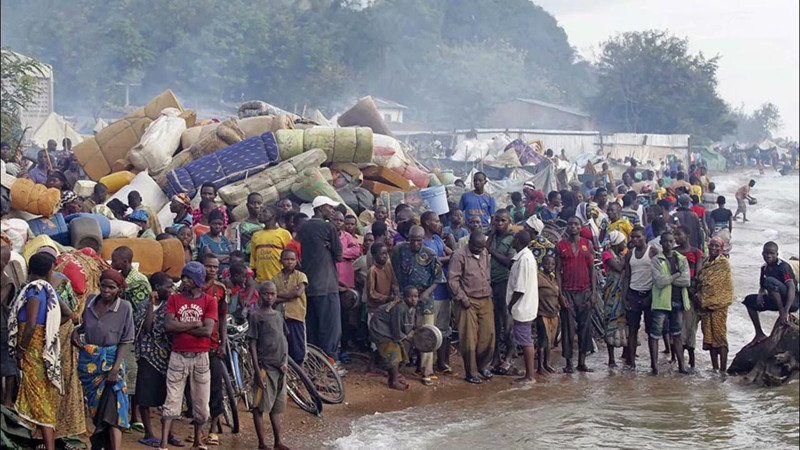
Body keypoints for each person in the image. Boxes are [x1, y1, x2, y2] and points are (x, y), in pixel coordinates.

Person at [8, 253, 72, 450]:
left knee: (39, 397)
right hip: (42, 348)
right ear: (50, 270)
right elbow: (68, 313)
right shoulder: (49, 290)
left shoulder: (34, 290)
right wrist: (49, 331)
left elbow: (31, 324)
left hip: (32, 351)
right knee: (40, 395)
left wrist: (22, 350)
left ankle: (49, 445)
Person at [72, 269, 134, 450]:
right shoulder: (91, 300)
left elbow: (126, 340)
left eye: (111, 287)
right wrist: (77, 332)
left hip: (112, 366)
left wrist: (115, 369)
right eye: (103, 286)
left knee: (114, 412)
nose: (106, 290)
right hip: (90, 366)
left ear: (118, 290)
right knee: (97, 410)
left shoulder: (124, 308)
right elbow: (85, 326)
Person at [158, 262, 217, 450]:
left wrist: (181, 326)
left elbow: (208, 330)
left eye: (188, 278)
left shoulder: (209, 301)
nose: (184, 281)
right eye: (184, 277)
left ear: (198, 280)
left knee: (201, 403)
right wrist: (194, 325)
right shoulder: (174, 299)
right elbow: (168, 326)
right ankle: (163, 443)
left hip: (200, 356)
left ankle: (198, 442)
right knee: (171, 401)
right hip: (179, 355)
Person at [392, 225, 445, 386]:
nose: (416, 244)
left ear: (423, 240)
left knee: (427, 335)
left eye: (419, 241)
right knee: (404, 333)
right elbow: (394, 272)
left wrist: (426, 293)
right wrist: (397, 292)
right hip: (405, 298)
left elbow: (439, 278)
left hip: (425, 299)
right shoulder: (400, 251)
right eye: (413, 240)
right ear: (408, 239)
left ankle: (426, 371)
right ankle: (399, 367)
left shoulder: (430, 254)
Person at [135, 272, 182, 448]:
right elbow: (146, 327)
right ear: (156, 288)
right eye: (168, 286)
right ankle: (149, 433)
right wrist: (150, 306)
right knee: (145, 396)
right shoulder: (143, 305)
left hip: (168, 355)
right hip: (147, 355)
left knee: (170, 396)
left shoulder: (172, 305)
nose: (171, 290)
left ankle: (169, 433)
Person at [298, 196, 343, 362]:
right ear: (320, 208)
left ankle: (313, 364)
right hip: (327, 285)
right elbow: (339, 255)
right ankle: (329, 364)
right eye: (329, 207)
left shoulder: (303, 228)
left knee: (312, 327)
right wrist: (331, 247)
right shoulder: (328, 227)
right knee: (331, 328)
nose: (331, 211)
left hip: (309, 285)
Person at [247, 281, 290, 450]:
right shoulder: (256, 316)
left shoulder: (279, 315)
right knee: (259, 406)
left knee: (276, 407)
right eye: (266, 293)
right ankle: (262, 443)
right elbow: (253, 344)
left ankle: (278, 441)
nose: (270, 297)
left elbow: (284, 338)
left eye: (273, 293)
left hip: (280, 368)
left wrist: (285, 361)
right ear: (260, 294)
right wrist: (257, 371)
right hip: (265, 367)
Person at [448, 230, 494, 384]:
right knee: (469, 337)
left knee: (488, 335)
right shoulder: (459, 255)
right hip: (468, 301)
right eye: (478, 247)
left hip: (485, 298)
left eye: (483, 247)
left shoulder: (485, 252)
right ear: (470, 243)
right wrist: (462, 297)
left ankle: (482, 366)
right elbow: (452, 280)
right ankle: (471, 372)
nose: (481, 250)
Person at [556, 216, 598, 373]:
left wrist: (594, 293)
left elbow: (592, 270)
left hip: (584, 291)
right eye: (570, 224)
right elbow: (558, 271)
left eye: (576, 224)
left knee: (585, 327)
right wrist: (560, 294)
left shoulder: (587, 244)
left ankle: (582, 362)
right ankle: (568, 363)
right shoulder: (561, 245)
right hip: (567, 291)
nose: (573, 227)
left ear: (581, 227)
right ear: (567, 227)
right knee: (567, 328)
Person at [649, 232, 691, 375]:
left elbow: (687, 281)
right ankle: (654, 367)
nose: (668, 244)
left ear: (674, 243)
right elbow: (658, 282)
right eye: (665, 241)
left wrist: (669, 278)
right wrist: (675, 275)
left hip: (678, 301)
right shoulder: (656, 260)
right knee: (655, 335)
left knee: (677, 335)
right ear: (661, 243)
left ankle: (682, 366)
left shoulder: (681, 259)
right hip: (661, 302)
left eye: (671, 241)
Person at [742, 242, 799, 347]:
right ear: (762, 253)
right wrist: (760, 295)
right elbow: (763, 286)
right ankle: (759, 333)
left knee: (770, 281)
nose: (768, 256)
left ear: (777, 254)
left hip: (791, 301)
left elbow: (791, 287)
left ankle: (782, 313)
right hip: (776, 299)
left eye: (772, 253)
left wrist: (785, 311)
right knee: (749, 300)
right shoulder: (764, 268)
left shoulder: (783, 267)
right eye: (766, 253)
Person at [420, 211, 455, 375]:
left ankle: (442, 363)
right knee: (428, 332)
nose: (439, 224)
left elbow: (452, 253)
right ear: (427, 222)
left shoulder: (438, 240)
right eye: (436, 221)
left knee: (443, 330)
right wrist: (448, 258)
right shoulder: (422, 243)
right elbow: (431, 260)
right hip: (431, 292)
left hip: (444, 292)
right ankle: (426, 369)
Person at [199, 254, 228, 446]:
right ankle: (199, 430)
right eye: (208, 266)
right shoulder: (193, 288)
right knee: (196, 391)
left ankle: (213, 430)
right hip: (194, 345)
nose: (211, 269)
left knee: (215, 387)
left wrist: (223, 343)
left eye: (214, 267)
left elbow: (223, 317)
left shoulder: (220, 289)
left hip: (214, 344)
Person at [622, 226, 659, 368]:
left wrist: (651, 296)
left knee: (651, 332)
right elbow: (627, 276)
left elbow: (658, 276)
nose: (635, 239)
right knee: (632, 330)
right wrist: (624, 298)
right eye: (633, 237)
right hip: (633, 294)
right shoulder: (629, 254)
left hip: (649, 295)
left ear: (645, 237)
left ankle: (653, 364)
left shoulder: (653, 252)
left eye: (638, 237)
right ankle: (631, 363)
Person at [369, 286, 418, 391]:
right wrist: (406, 337)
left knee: (399, 349)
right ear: (404, 297)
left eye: (415, 296)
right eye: (410, 297)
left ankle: (393, 375)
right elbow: (396, 327)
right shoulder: (399, 307)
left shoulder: (410, 307)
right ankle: (393, 381)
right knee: (393, 351)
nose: (413, 299)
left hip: (387, 328)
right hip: (380, 328)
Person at [505, 230, 539, 384]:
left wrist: (510, 305)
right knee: (526, 339)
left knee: (525, 341)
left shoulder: (524, 259)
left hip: (522, 306)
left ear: (518, 241)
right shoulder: (523, 257)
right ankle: (529, 375)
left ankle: (530, 376)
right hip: (525, 305)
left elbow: (520, 288)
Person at [697, 238, 734, 372]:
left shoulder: (723, 264)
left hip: (719, 305)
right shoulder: (707, 262)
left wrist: (709, 298)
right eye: (711, 245)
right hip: (705, 306)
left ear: (722, 248)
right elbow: (702, 281)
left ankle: (723, 370)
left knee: (720, 337)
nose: (713, 248)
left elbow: (721, 285)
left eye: (717, 246)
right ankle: (714, 368)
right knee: (709, 337)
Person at [486, 209, 516, 373]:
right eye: (497, 221)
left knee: (507, 322)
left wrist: (491, 252)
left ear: (509, 221)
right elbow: (485, 246)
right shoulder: (494, 237)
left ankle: (509, 357)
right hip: (492, 283)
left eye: (502, 221)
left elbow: (507, 261)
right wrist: (491, 233)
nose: (499, 224)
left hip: (505, 282)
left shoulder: (512, 239)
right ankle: (496, 357)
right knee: (495, 323)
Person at [332, 210, 361, 361]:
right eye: (335, 220)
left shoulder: (347, 237)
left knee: (345, 320)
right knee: (332, 319)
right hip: (330, 284)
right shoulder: (327, 236)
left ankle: (343, 349)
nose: (338, 223)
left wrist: (338, 253)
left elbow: (356, 251)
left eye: (340, 220)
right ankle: (333, 351)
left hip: (346, 285)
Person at [674, 225, 704, 368]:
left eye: (679, 235)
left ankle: (691, 358)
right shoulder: (674, 252)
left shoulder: (696, 252)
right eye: (675, 235)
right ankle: (678, 359)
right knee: (677, 325)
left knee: (690, 325)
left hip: (690, 293)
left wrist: (692, 288)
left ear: (687, 235)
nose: (676, 238)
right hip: (676, 293)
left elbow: (698, 275)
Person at [271, 249, 308, 364]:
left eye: (292, 259)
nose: (289, 262)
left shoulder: (301, 276)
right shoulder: (275, 278)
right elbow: (271, 298)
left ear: (296, 261)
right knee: (282, 348)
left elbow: (298, 293)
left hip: (296, 316)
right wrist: (289, 295)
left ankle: (301, 377)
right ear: (280, 261)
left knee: (298, 350)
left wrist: (278, 296)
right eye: (286, 259)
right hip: (280, 317)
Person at [600, 230, 628, 367]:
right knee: (610, 323)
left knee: (624, 322)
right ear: (617, 243)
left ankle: (625, 354)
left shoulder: (619, 254)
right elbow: (618, 268)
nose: (625, 243)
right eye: (623, 241)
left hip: (622, 293)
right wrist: (626, 257)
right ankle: (611, 359)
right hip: (611, 294)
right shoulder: (607, 254)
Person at [251, 205, 292, 284]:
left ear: (273, 215)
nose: (260, 213)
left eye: (264, 211)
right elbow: (253, 261)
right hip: (260, 282)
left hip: (279, 281)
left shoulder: (284, 234)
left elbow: (290, 258)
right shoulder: (256, 235)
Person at [536, 255, 559, 374]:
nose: (549, 266)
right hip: (542, 313)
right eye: (547, 264)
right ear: (542, 264)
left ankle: (547, 363)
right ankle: (540, 366)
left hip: (553, 312)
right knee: (542, 340)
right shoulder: (538, 277)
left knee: (550, 340)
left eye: (552, 264)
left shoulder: (553, 278)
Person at [197, 209, 234, 273]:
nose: (217, 227)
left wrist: (219, 258)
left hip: (228, 272)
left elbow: (233, 256)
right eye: (214, 224)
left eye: (220, 224)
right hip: (212, 272)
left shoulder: (224, 239)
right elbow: (210, 257)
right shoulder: (203, 238)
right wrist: (228, 257)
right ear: (209, 223)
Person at [233, 193, 265, 263]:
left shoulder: (268, 224)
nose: (256, 206)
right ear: (247, 206)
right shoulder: (243, 226)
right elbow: (246, 248)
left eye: (259, 203)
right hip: (251, 263)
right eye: (253, 203)